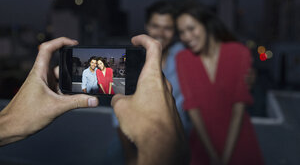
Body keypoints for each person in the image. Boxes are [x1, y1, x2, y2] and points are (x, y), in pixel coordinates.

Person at [0, 36, 188, 165]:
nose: (95, 64)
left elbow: (108, 81)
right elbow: (89, 84)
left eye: (97, 62)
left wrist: (7, 125)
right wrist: (162, 149)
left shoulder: (107, 71)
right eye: (93, 63)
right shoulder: (90, 74)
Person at [175, 4, 264, 165]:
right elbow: (192, 108)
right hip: (203, 142)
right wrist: (213, 156)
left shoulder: (239, 52)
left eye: (191, 28)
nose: (186, 37)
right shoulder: (182, 58)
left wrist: (225, 158)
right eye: (181, 32)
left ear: (206, 25)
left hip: (239, 138)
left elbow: (239, 105)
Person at [112, 0, 190, 165]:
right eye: (156, 26)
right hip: (136, 140)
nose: (161, 33)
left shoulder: (182, 55)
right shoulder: (130, 60)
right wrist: (130, 156)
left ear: (174, 31)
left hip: (178, 140)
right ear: (147, 26)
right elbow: (117, 117)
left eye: (168, 28)